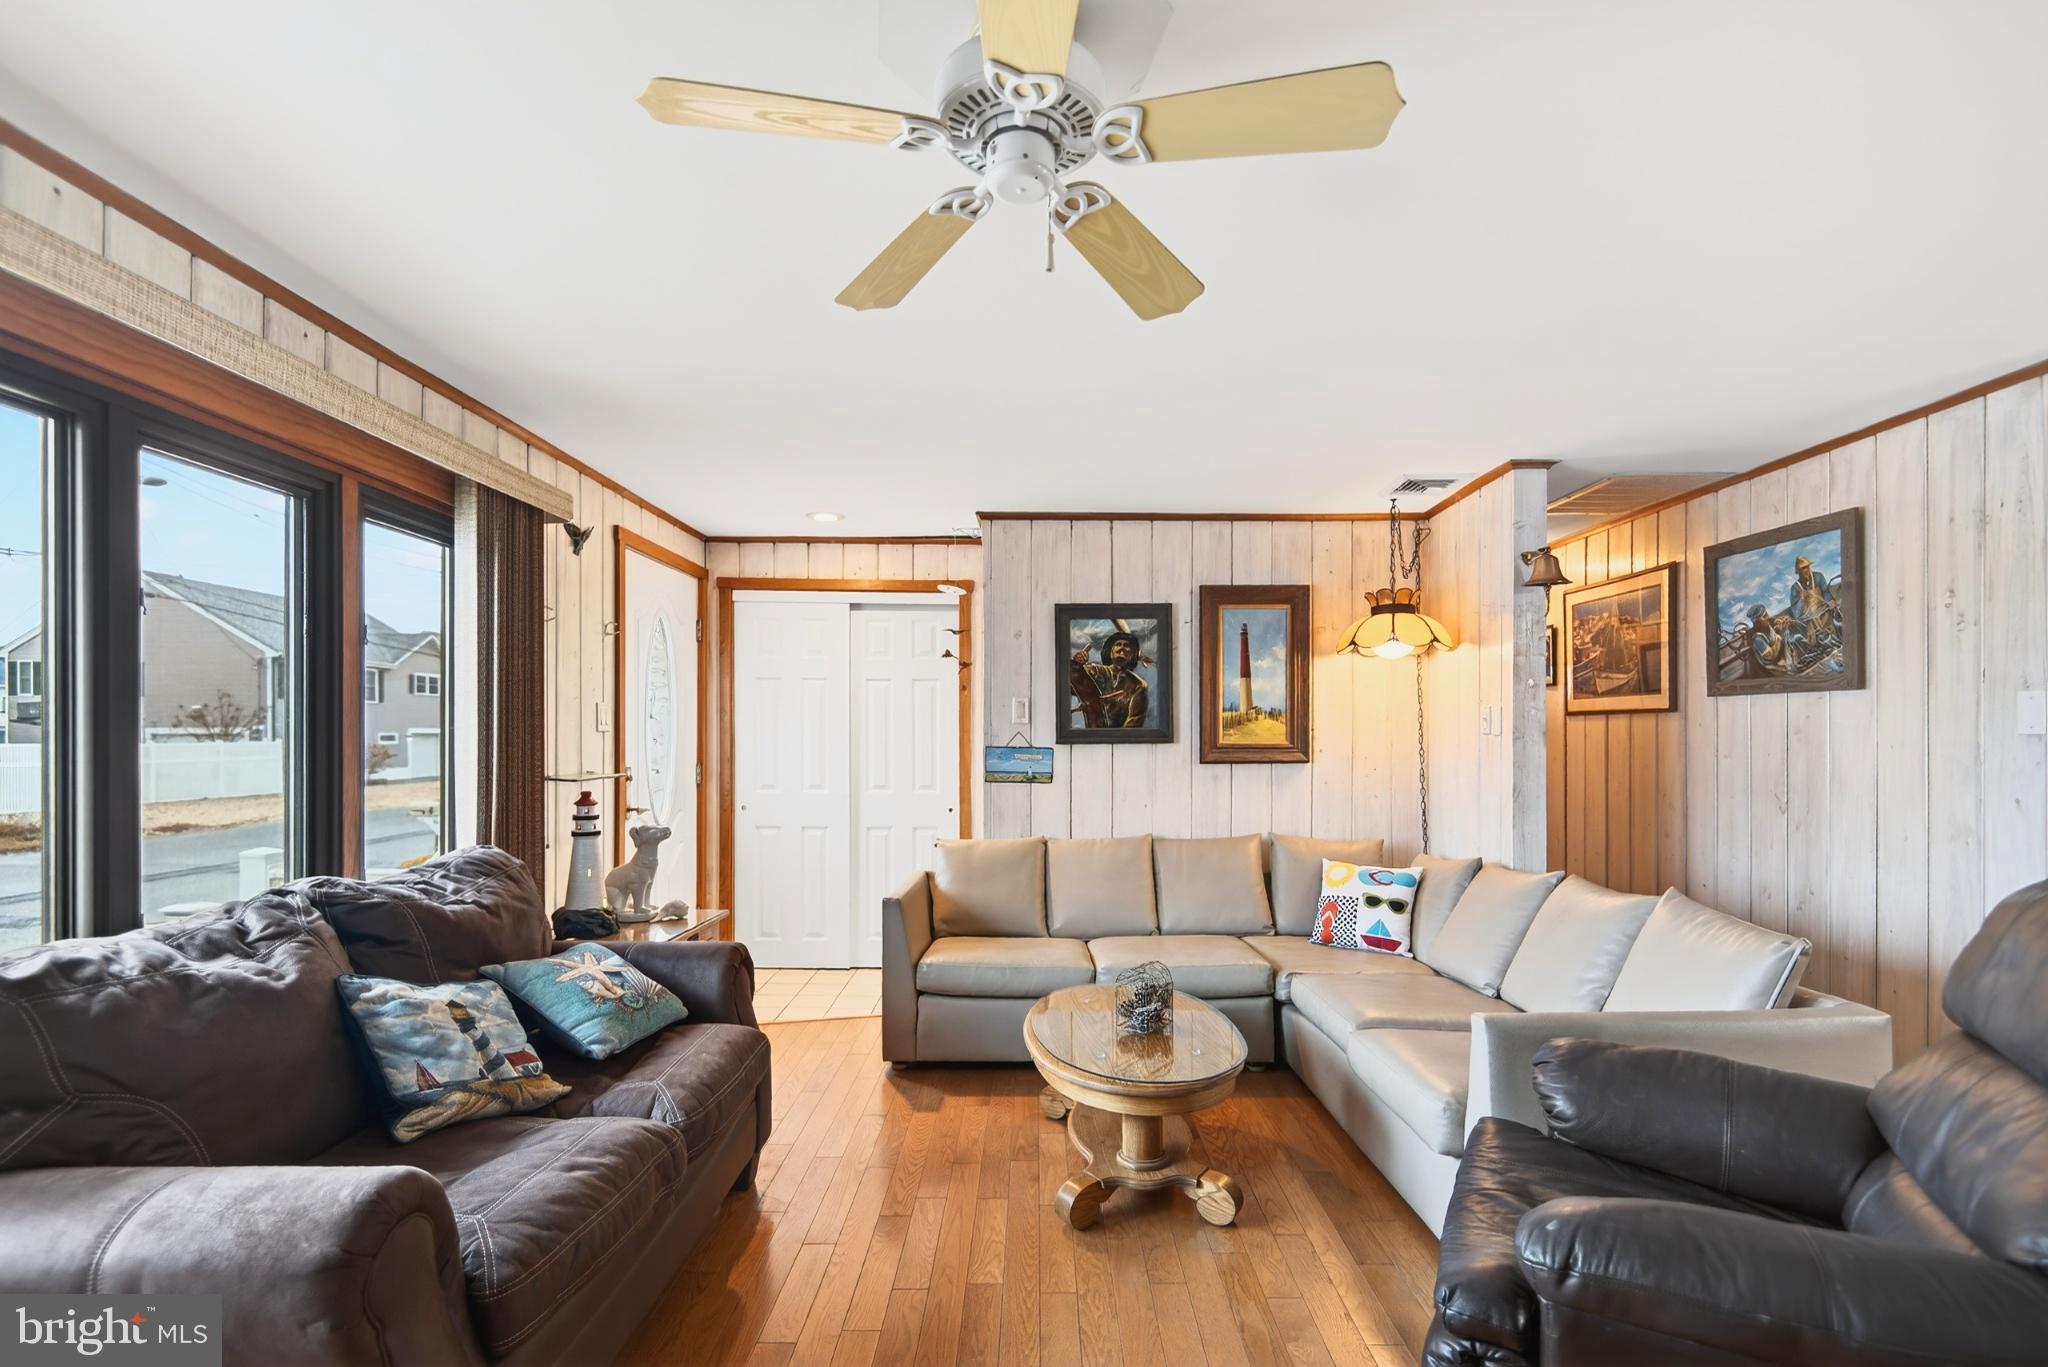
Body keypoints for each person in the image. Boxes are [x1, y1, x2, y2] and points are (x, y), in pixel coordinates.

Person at [1070, 628, 1149, 728]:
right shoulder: (1094, 671)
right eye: (1118, 644)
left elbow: (1134, 722)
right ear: (1110, 651)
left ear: (1133, 654)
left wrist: (1112, 737)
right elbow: (1068, 685)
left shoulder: (1138, 685)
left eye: (1127, 646)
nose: (1122, 648)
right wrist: (1076, 665)